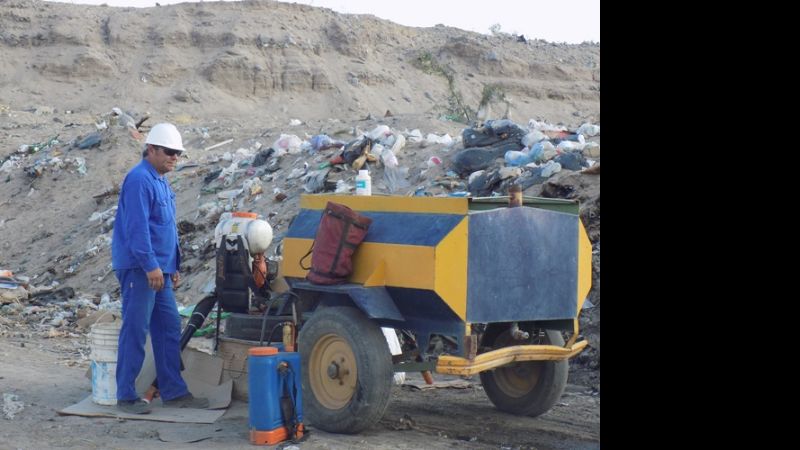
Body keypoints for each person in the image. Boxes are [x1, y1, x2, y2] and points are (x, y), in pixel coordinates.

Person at [111, 123, 208, 414]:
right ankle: (126, 395)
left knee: (168, 327)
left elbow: (166, 228)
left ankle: (173, 390)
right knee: (136, 329)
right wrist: (151, 265)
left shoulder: (160, 181)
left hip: (159, 269)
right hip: (141, 269)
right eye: (169, 152)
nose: (175, 157)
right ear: (151, 149)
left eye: (178, 153)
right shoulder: (139, 179)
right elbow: (138, 229)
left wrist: (172, 265)